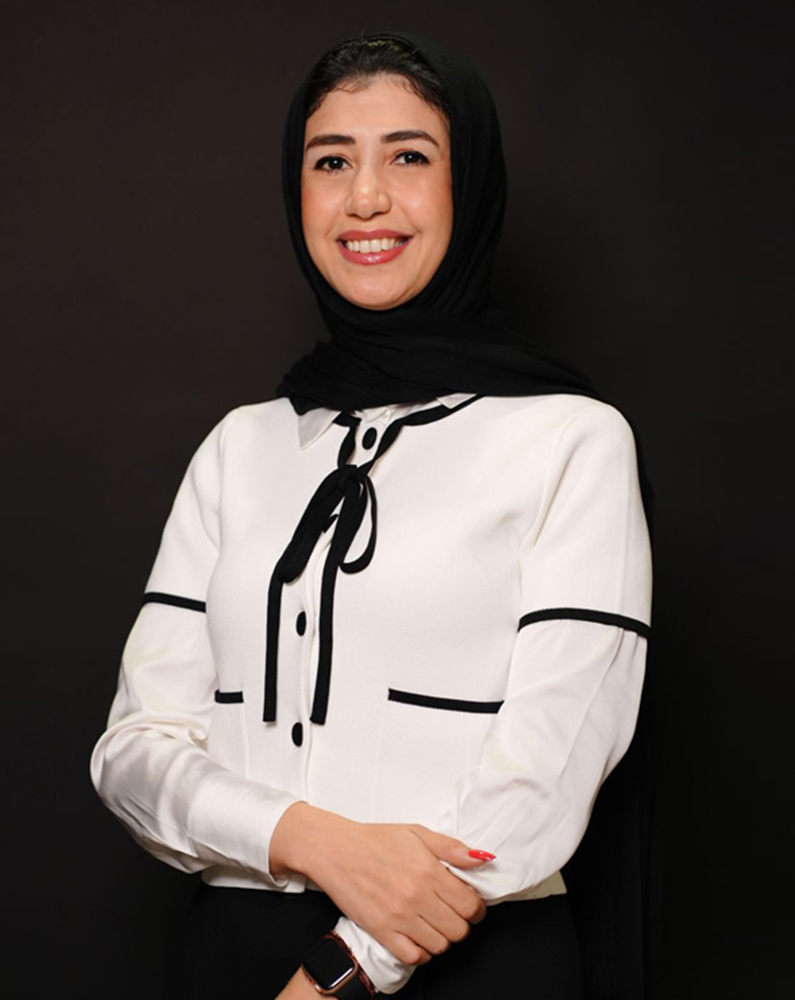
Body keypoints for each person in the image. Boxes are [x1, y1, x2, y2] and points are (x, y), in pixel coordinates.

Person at [89, 29, 658, 1000]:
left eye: (408, 157)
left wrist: (339, 974)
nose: (364, 198)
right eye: (330, 161)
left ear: (469, 186)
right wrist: (308, 837)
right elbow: (132, 753)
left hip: (463, 959)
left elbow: (546, 772)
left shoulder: (571, 439)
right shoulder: (240, 445)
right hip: (227, 950)